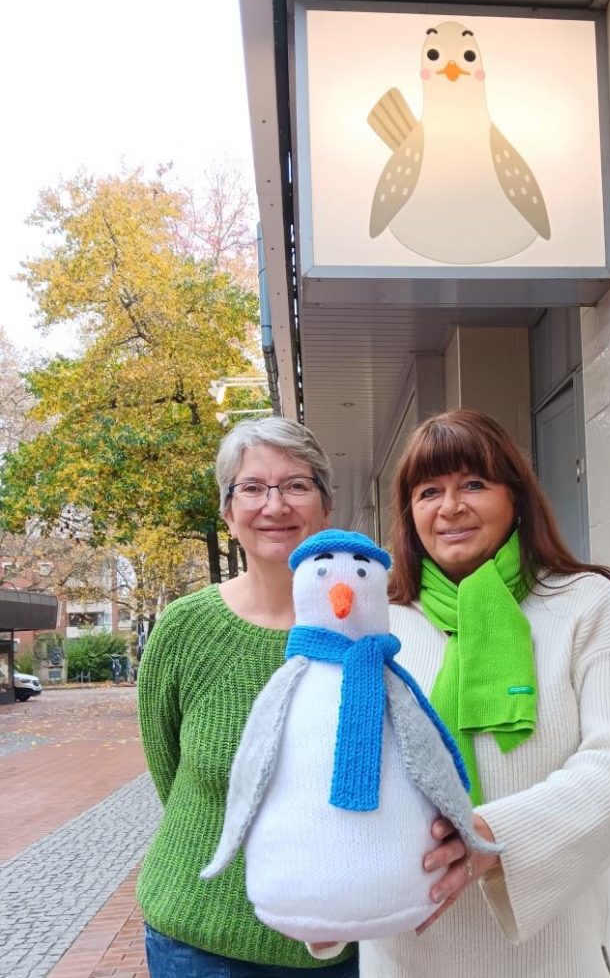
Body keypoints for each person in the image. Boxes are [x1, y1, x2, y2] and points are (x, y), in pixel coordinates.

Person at [359, 409, 610, 978]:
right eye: (428, 491)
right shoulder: (378, 623)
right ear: (408, 513)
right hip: (405, 951)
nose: (450, 507)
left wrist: (492, 836)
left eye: (473, 483)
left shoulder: (584, 604)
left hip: (549, 953)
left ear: (516, 497)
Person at [137, 416, 358, 978]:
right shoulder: (185, 630)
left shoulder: (369, 628)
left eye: (296, 485)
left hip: (345, 941)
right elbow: (168, 768)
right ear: (227, 512)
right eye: (253, 487)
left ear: (326, 506)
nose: (274, 505)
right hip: (200, 942)